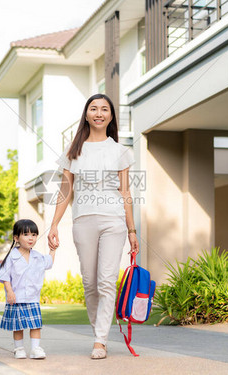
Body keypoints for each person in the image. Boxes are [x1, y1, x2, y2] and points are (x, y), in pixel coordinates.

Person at [47, 93, 139, 359]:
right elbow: (65, 192)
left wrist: (132, 231)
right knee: (90, 283)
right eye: (94, 108)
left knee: (106, 281)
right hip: (83, 221)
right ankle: (97, 333)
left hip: (114, 222)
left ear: (111, 116)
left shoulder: (121, 151)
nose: (99, 113)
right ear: (86, 114)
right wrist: (53, 225)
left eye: (104, 109)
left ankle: (100, 341)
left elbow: (126, 194)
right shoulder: (73, 151)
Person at [0, 219, 55, 359]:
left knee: (35, 325)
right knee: (18, 326)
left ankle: (35, 349)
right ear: (16, 238)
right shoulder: (12, 256)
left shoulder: (37, 256)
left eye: (34, 234)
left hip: (32, 298)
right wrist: (9, 292)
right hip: (16, 298)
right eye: (26, 234)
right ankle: (19, 349)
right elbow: (5, 276)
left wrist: (53, 249)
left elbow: (49, 262)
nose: (31, 238)